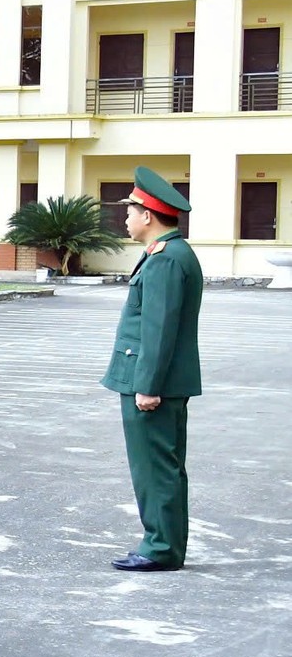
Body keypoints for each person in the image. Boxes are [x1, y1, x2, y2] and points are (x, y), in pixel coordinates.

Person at [103, 168, 203, 572]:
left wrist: (148, 386)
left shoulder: (166, 259)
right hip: (156, 380)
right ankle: (163, 544)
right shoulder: (169, 254)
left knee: (155, 468)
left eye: (130, 210)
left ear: (148, 215)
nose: (125, 218)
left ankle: (160, 547)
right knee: (163, 466)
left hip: (151, 383)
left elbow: (158, 330)